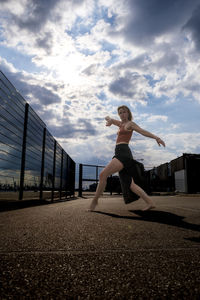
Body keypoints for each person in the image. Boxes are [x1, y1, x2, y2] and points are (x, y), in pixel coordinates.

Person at [88, 105, 165, 211]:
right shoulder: (120, 124)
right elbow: (109, 118)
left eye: (124, 112)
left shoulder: (130, 124)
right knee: (131, 185)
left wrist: (157, 138)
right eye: (120, 113)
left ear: (128, 113)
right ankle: (150, 202)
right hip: (119, 152)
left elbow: (142, 131)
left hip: (123, 153)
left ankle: (94, 201)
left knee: (103, 174)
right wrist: (109, 120)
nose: (122, 114)